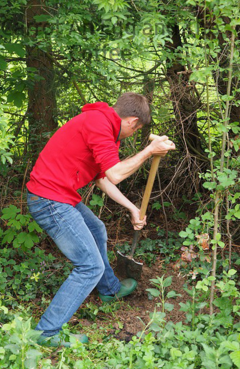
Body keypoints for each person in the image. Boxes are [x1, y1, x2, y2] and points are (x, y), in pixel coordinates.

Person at [26, 92, 175, 347]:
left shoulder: (105, 126)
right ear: (132, 121)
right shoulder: (98, 124)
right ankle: (46, 333)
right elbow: (116, 174)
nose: (134, 132)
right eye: (137, 129)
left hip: (60, 196)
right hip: (49, 200)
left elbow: (103, 178)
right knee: (89, 266)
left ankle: (109, 290)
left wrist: (132, 208)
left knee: (97, 229)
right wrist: (149, 151)